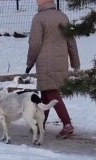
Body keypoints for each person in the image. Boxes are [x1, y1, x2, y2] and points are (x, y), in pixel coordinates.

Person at [26, 0, 80, 138]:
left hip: (46, 63)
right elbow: (71, 41)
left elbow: (35, 43)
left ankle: (67, 125)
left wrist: (29, 62)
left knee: (52, 93)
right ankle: (40, 124)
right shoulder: (63, 16)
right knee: (46, 94)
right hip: (61, 61)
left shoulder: (38, 18)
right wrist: (75, 61)